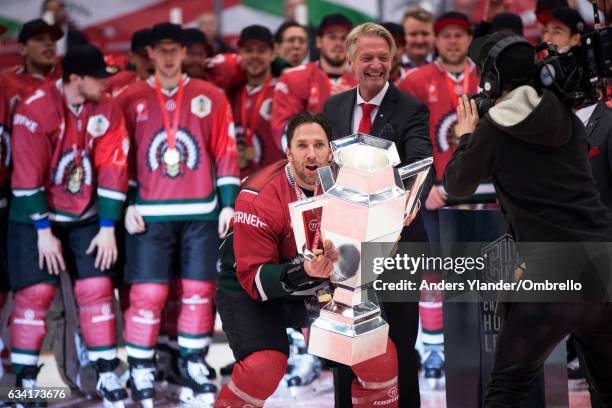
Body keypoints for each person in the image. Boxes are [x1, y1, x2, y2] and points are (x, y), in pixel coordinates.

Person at [444, 31, 612, 406]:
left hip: (552, 274)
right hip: (604, 265)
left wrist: (466, 136)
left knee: (506, 389)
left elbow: (458, 183)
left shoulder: (491, 130)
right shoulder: (565, 117)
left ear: (490, 81)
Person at [214, 111, 400, 408]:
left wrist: (381, 243)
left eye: (319, 145)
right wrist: (304, 270)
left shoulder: (352, 182)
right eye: (301, 146)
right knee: (264, 366)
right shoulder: (257, 195)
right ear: (288, 152)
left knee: (378, 356)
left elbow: (358, 256)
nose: (311, 154)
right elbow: (254, 281)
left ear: (331, 151)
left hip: (318, 283)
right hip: (250, 284)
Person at [117, 22, 239, 405]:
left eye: (175, 49)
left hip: (201, 211)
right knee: (148, 293)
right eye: (161, 49)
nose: (169, 56)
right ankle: (140, 369)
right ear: (149, 54)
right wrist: (125, 203)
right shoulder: (130, 96)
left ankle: (193, 364)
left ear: (184, 53)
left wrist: (228, 203)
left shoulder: (211, 96)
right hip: (150, 212)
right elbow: (118, 157)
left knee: (200, 292)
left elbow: (225, 152)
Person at [8, 44, 129, 406]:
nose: (105, 85)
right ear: (75, 79)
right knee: (35, 295)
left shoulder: (105, 107)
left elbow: (113, 167)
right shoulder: (35, 110)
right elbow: (26, 176)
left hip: (86, 216)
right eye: (98, 78)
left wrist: (108, 226)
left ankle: (106, 372)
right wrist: (43, 232)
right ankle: (25, 385)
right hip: (34, 217)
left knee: (95, 288)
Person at [322, 22, 432, 407]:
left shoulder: (412, 109)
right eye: (367, 57)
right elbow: (323, 168)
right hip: (345, 248)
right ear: (349, 60)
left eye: (383, 57)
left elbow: (420, 168)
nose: (376, 65)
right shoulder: (333, 107)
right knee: (344, 343)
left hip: (397, 244)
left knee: (399, 343)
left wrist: (393, 220)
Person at [271, 13, 356, 150]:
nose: (338, 43)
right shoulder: (293, 78)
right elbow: (282, 130)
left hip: (351, 165)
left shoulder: (362, 81)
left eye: (344, 38)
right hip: (308, 163)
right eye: (332, 36)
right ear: (318, 41)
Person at [229, 25, 281, 178]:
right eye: (248, 50)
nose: (254, 56)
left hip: (272, 183)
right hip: (237, 184)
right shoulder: (231, 92)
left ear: (273, 54)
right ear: (240, 53)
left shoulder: (283, 90)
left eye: (261, 50)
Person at [0, 19, 63, 114]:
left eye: (53, 39)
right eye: (39, 39)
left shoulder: (69, 80)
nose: (50, 43)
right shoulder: (6, 82)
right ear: (23, 49)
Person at [107, 28, 154, 96]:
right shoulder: (118, 83)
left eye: (157, 55)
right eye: (145, 56)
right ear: (132, 57)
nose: (152, 62)